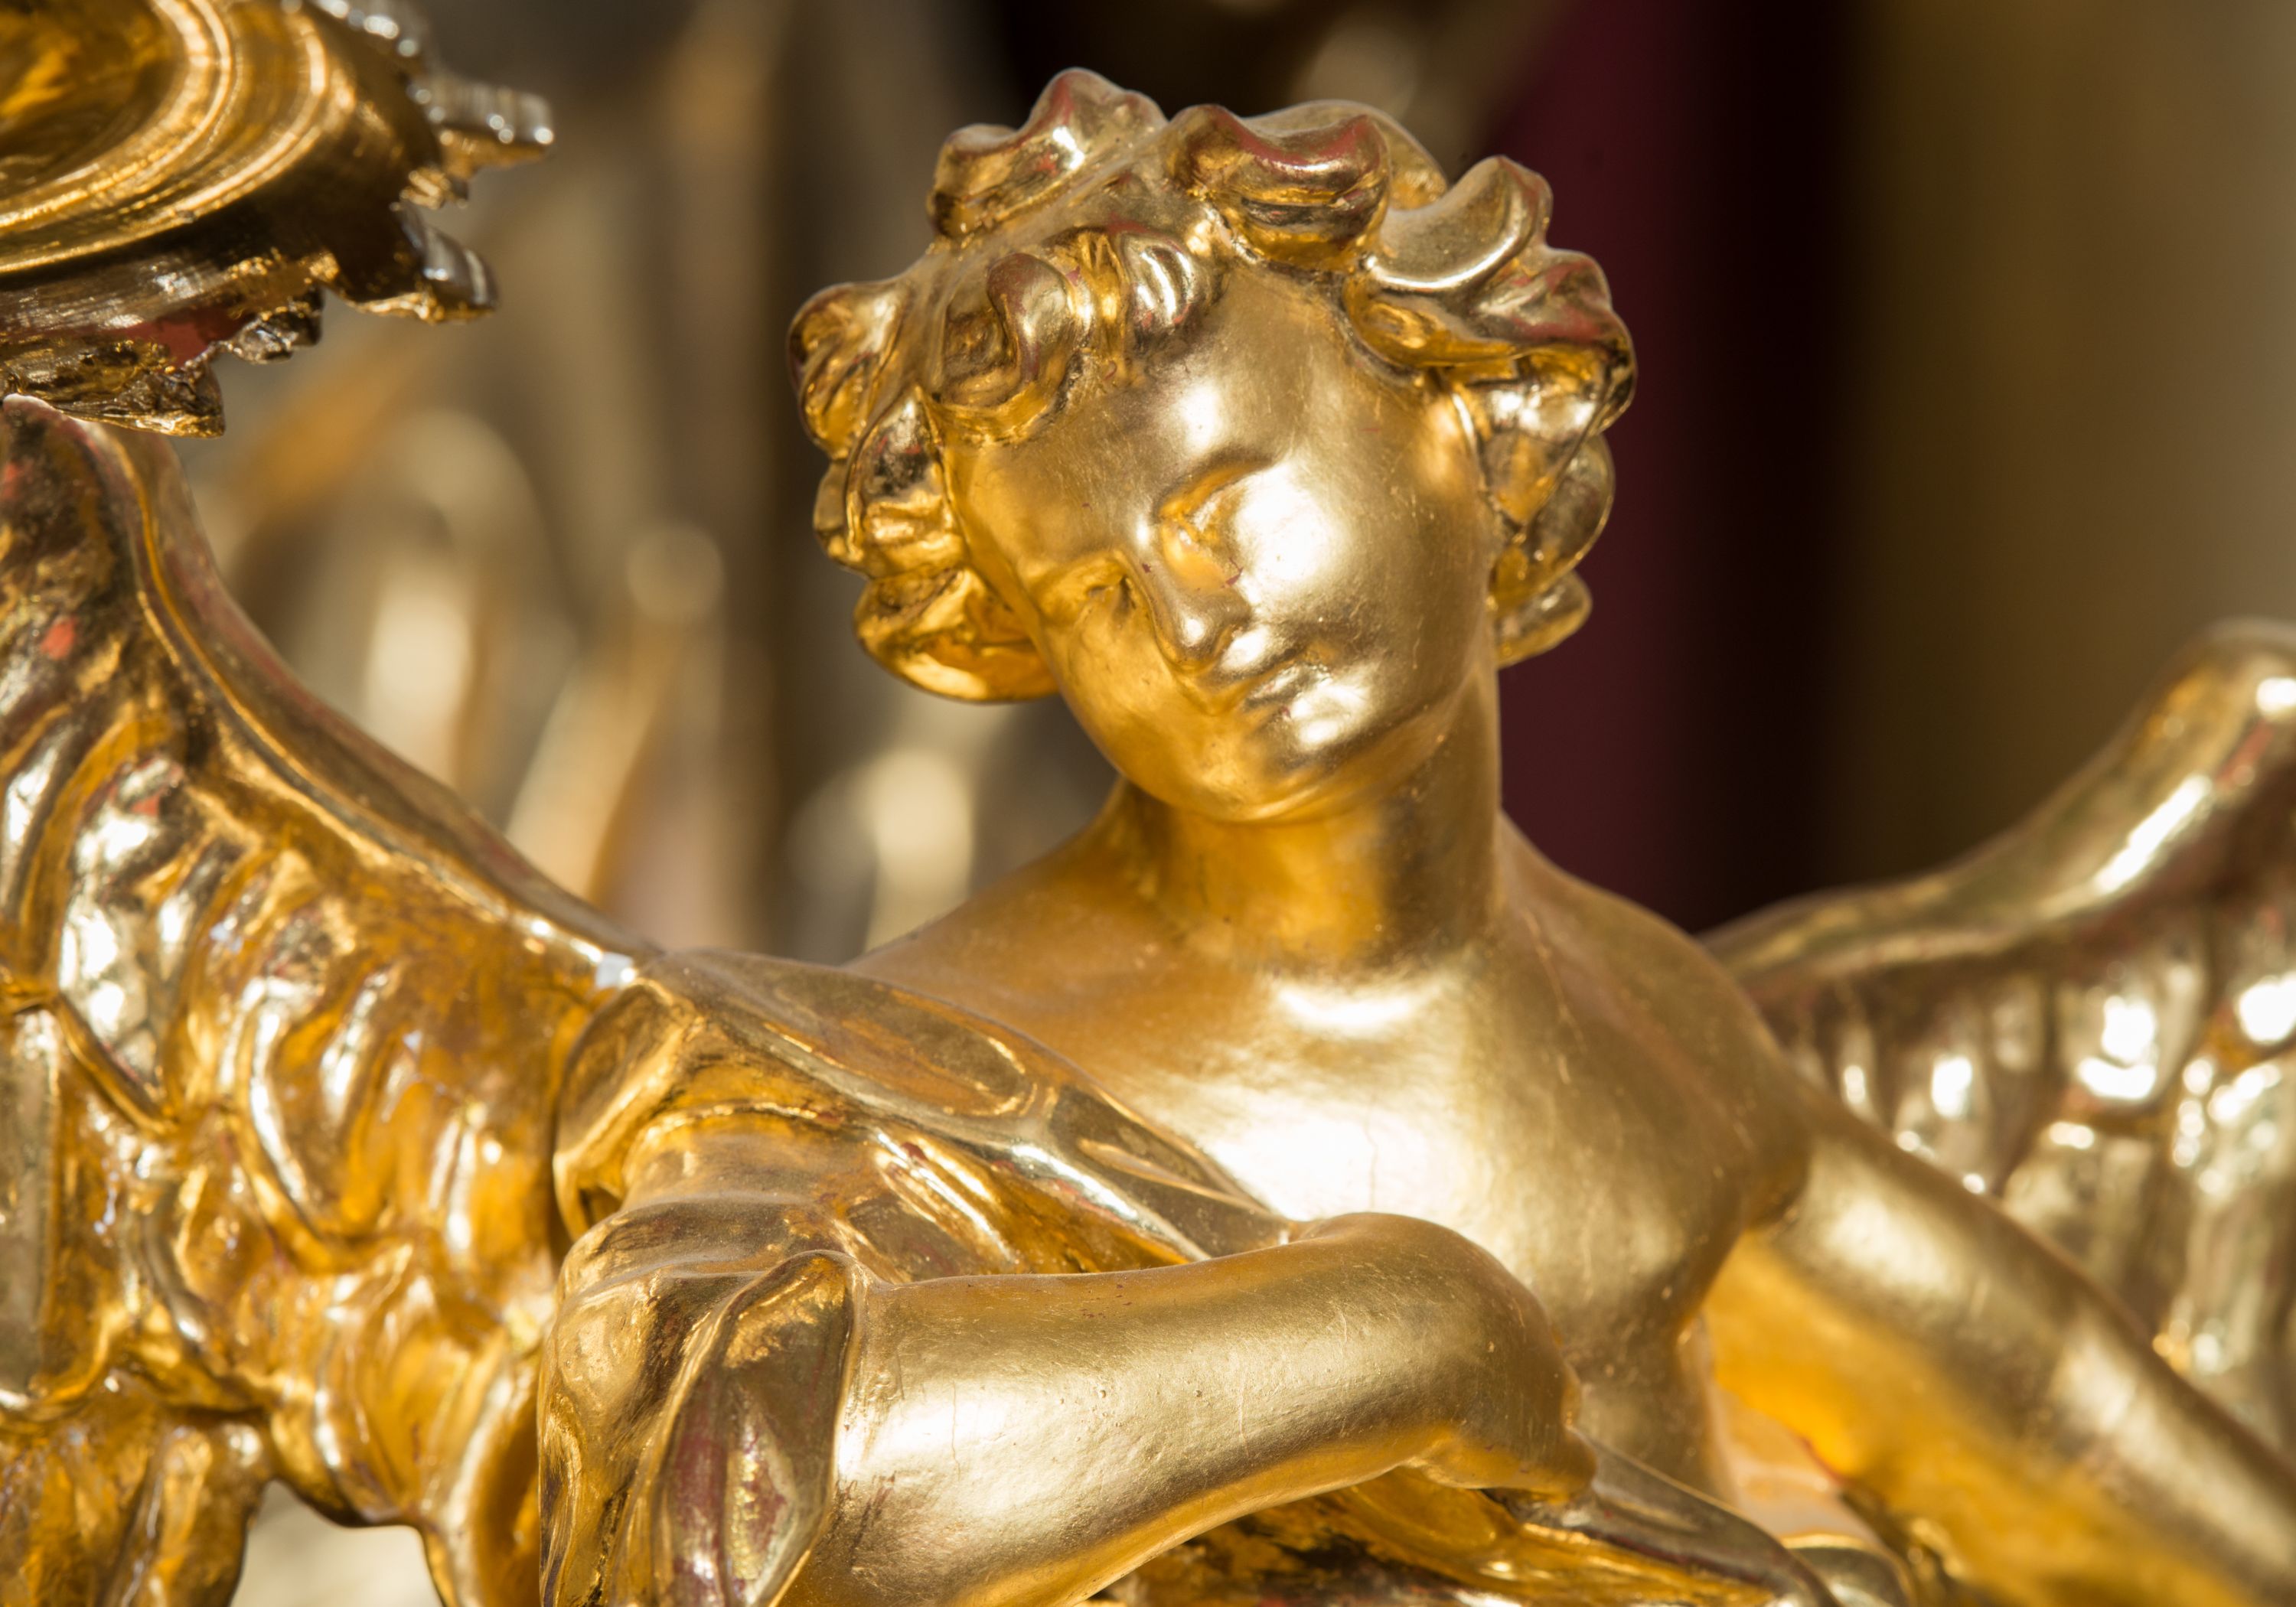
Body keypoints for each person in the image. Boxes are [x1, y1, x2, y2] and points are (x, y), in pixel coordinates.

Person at [536, 70, 2296, 1607]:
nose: (1192, 624)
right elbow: (725, 1506)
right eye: (1087, 597)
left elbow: (2053, 1412)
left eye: (1225, 503)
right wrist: (1384, 1336)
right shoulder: (913, 1080)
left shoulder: (1651, 1032)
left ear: (1461, 413)